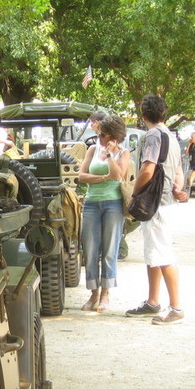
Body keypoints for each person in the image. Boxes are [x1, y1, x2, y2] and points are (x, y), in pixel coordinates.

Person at [125, 94, 188, 324]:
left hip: (155, 204)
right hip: (166, 203)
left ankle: (176, 308)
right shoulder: (171, 136)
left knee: (163, 256)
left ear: (143, 116)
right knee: (153, 254)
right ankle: (153, 302)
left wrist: (134, 193)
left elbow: (148, 169)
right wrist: (178, 189)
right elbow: (179, 172)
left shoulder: (152, 135)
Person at [78, 115, 130, 312]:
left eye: (103, 135)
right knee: (90, 249)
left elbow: (118, 175)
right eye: (98, 133)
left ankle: (106, 293)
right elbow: (81, 176)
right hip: (92, 202)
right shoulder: (92, 149)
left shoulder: (123, 153)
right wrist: (103, 178)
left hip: (113, 204)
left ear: (114, 137)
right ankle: (93, 293)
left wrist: (109, 156)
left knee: (109, 249)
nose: (99, 137)